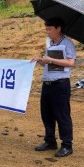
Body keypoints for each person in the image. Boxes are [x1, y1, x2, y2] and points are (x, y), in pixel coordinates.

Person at [32, 18, 76, 158]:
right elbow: (48, 65)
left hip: (60, 84)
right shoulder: (50, 44)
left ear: (58, 28)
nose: (47, 32)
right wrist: (40, 61)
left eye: (49, 29)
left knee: (62, 115)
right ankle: (50, 140)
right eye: (46, 29)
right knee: (46, 114)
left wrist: (50, 59)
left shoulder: (67, 43)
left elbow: (70, 62)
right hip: (47, 83)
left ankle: (67, 145)